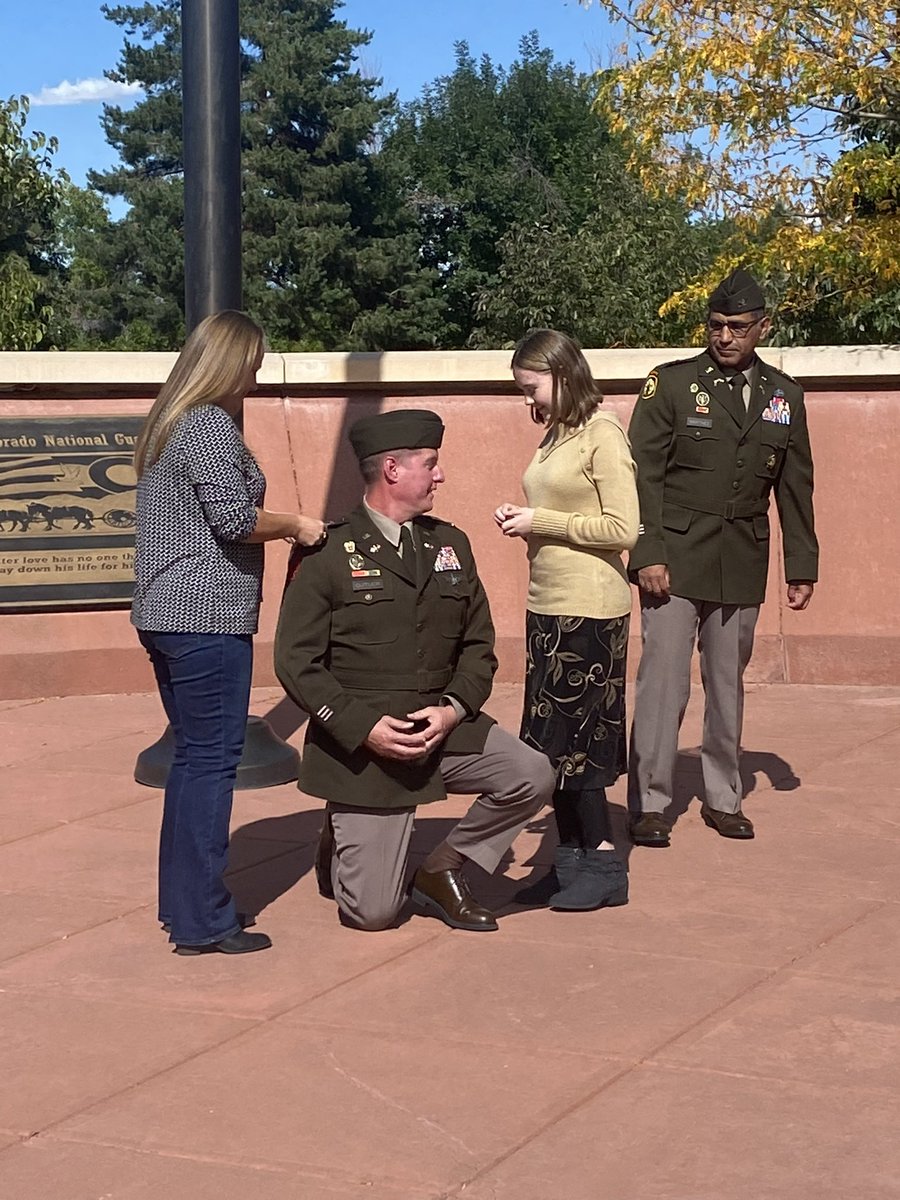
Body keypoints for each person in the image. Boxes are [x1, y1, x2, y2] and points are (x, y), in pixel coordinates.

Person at [274, 409, 555, 932]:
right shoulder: (329, 551)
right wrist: (363, 729)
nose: (440, 475)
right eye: (431, 464)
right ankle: (341, 827)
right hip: (367, 745)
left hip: (442, 730)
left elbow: (479, 646)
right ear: (392, 470)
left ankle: (442, 869)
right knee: (372, 915)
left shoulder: (451, 544)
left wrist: (452, 712)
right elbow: (295, 660)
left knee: (531, 774)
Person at [132, 310, 326, 954]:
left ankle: (183, 907)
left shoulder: (169, 425)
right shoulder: (208, 424)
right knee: (213, 766)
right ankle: (203, 921)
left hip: (165, 615)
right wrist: (297, 524)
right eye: (254, 360)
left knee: (193, 762)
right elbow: (235, 519)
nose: (258, 371)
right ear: (229, 361)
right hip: (205, 617)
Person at [627, 268, 818, 847]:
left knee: (726, 682)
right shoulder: (674, 384)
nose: (725, 336)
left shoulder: (784, 396)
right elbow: (643, 477)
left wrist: (802, 565)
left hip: (741, 557)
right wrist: (648, 553)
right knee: (663, 683)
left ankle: (723, 797)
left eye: (738, 326)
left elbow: (795, 485)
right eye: (716, 325)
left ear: (763, 327)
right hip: (676, 557)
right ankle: (652, 803)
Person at [494, 329, 640, 910]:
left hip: (591, 610)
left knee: (583, 743)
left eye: (532, 387)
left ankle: (604, 865)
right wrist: (528, 517)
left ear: (561, 374)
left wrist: (541, 521)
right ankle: (569, 860)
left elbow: (622, 530)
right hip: (549, 606)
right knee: (552, 746)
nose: (528, 400)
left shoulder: (604, 435)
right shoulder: (558, 435)